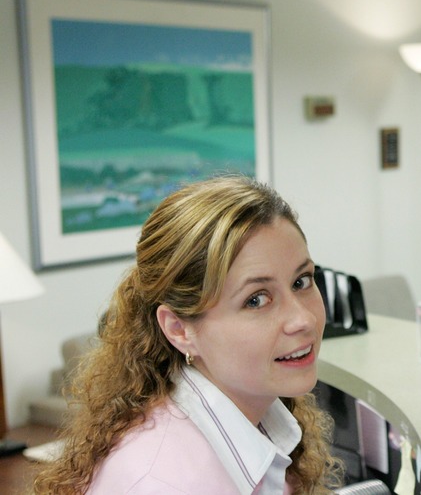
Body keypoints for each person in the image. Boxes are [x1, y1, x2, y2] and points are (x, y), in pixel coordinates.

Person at [33, 175, 343, 494]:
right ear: (179, 329)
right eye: (256, 299)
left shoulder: (261, 414)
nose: (302, 319)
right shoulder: (160, 483)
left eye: (301, 281)